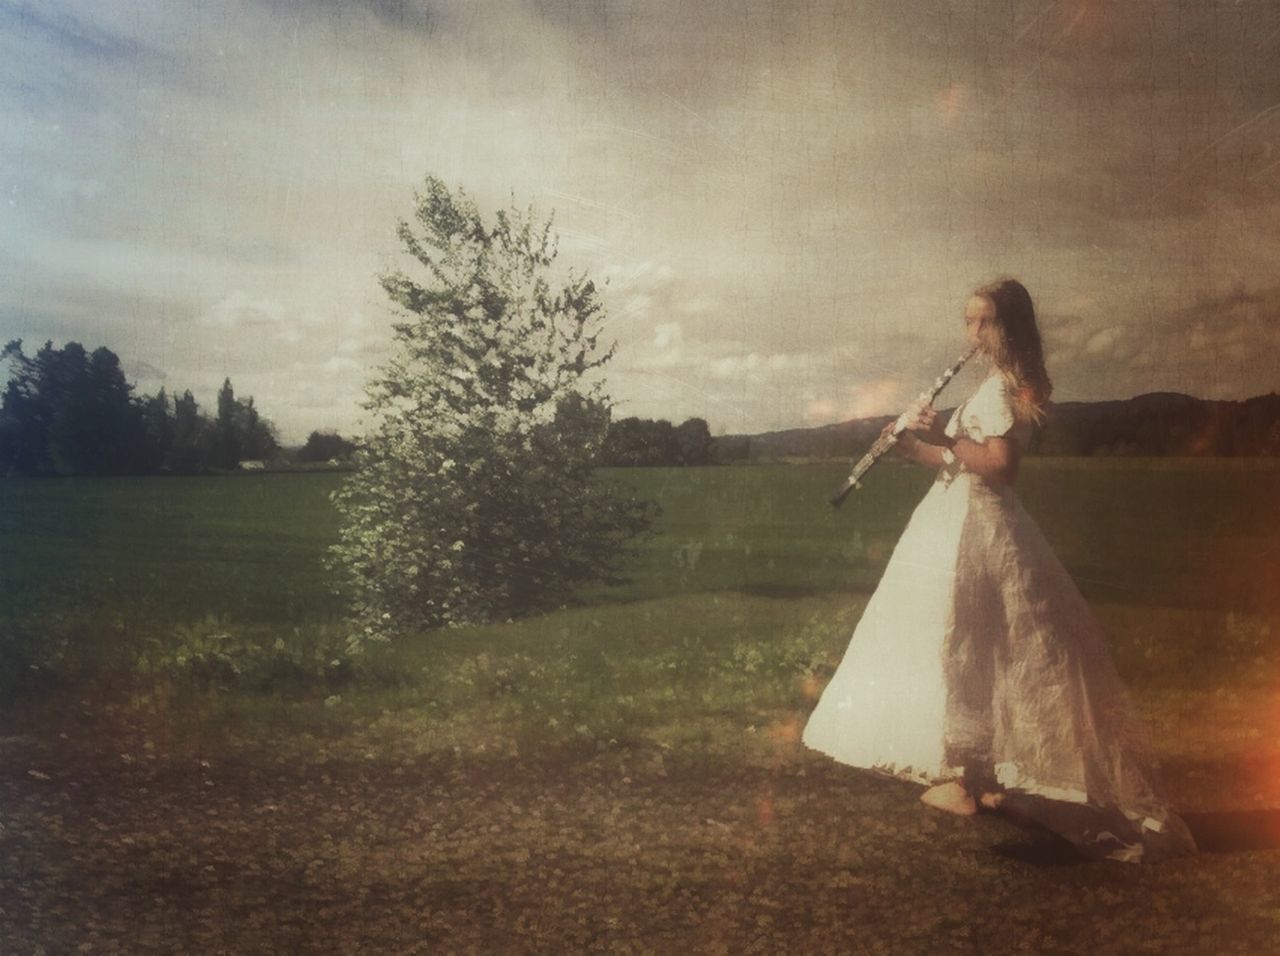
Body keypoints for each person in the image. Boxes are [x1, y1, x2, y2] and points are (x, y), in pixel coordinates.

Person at [802, 278, 1196, 862]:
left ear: (1010, 327)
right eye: (968, 321)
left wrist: (942, 433)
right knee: (964, 646)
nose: (973, 334)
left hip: (982, 532)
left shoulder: (1013, 388)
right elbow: (959, 462)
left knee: (989, 646)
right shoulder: (993, 386)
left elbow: (1000, 466)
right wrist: (913, 448)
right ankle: (975, 782)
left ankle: (975, 783)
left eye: (984, 322)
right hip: (956, 523)